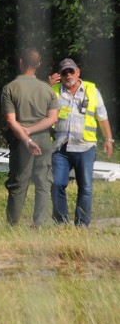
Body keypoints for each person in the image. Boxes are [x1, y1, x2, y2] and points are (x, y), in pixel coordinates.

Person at [47, 58, 113, 226]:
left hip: (85, 146)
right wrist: (47, 87)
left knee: (86, 188)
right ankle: (60, 224)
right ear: (60, 76)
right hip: (61, 147)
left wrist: (108, 139)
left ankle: (82, 225)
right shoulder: (53, 90)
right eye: (64, 72)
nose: (68, 75)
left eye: (71, 71)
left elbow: (102, 117)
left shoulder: (91, 90)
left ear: (78, 72)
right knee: (57, 185)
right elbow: (39, 109)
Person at [1, 48, 59, 226]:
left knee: (19, 183)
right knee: (43, 183)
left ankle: (12, 225)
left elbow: (11, 121)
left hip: (21, 141)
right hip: (43, 139)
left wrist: (25, 134)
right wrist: (34, 129)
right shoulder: (47, 90)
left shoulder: (10, 88)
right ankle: (39, 225)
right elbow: (53, 118)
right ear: (38, 64)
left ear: (20, 62)